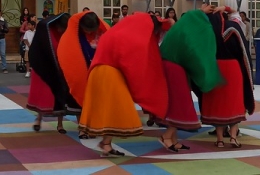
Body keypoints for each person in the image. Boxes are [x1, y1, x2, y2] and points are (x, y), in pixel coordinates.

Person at [77, 13, 170, 157]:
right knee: (117, 110)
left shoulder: (115, 33)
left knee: (107, 111)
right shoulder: (130, 38)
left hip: (97, 72)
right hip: (110, 73)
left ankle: (106, 144)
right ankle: (105, 143)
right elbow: (131, 65)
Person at [158, 5, 224, 152]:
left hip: (173, 68)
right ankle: (167, 136)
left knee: (177, 103)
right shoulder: (188, 29)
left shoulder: (181, 29)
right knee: (181, 104)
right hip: (173, 69)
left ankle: (173, 139)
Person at [200, 5, 255, 148]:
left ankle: (219, 140)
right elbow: (236, 15)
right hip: (232, 68)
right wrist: (225, 7)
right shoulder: (233, 27)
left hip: (215, 67)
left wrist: (202, 11)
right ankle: (233, 138)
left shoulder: (207, 30)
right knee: (234, 103)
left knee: (219, 103)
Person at [58, 11, 110, 139]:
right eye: (87, 29)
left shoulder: (102, 32)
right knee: (79, 100)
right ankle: (82, 128)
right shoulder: (72, 35)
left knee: (94, 102)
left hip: (96, 71)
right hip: (79, 72)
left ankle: (92, 127)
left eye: (92, 30)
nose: (89, 32)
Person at [27, 13, 71, 133]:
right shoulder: (45, 30)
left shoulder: (64, 33)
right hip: (44, 68)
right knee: (42, 95)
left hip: (59, 68)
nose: (62, 30)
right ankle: (38, 119)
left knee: (60, 96)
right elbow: (36, 50)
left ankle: (60, 124)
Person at [0, 9, 9, 74]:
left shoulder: (3, 21)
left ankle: (4, 68)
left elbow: (7, 30)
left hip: (2, 38)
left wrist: (2, 29)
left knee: (3, 54)